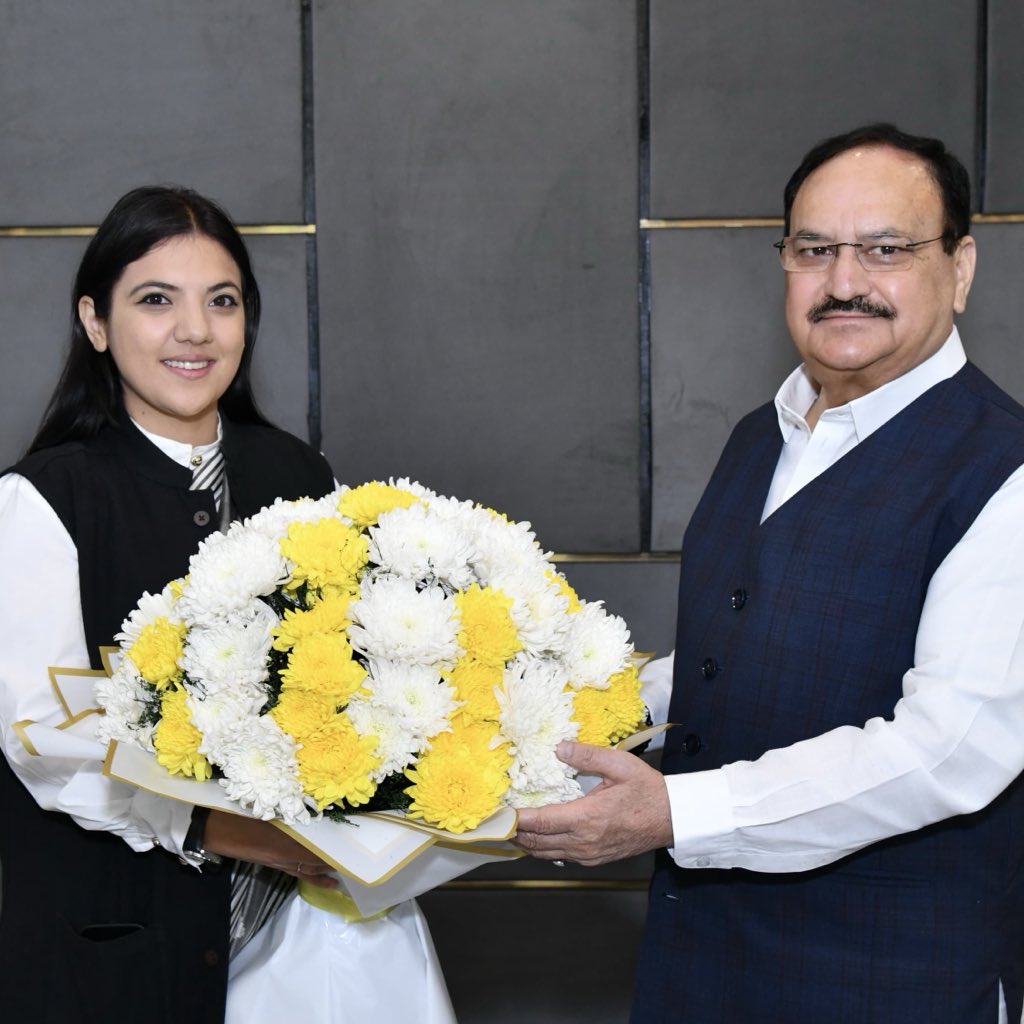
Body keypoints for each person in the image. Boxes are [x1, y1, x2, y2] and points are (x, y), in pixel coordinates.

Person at [514, 123, 1024, 1022]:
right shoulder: (765, 432)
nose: (844, 282)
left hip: (886, 982)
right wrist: (562, 712)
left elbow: (947, 748)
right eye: (814, 249)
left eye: (887, 249)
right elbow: (738, 653)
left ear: (963, 266)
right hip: (700, 964)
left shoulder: (1004, 467)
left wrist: (677, 814)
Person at [0, 187, 453, 1023]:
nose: (195, 331)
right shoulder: (45, 500)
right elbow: (44, 742)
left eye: (222, 301)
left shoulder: (303, 478)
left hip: (302, 931)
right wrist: (220, 829)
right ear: (96, 322)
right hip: (121, 941)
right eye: (155, 300)